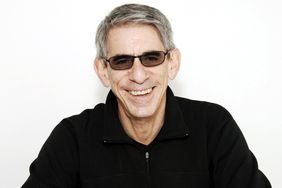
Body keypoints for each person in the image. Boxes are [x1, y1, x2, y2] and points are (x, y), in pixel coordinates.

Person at [22, 3, 271, 188]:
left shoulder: (213, 126)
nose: (138, 75)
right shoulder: (73, 138)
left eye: (152, 58)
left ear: (172, 63)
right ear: (103, 71)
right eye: (121, 61)